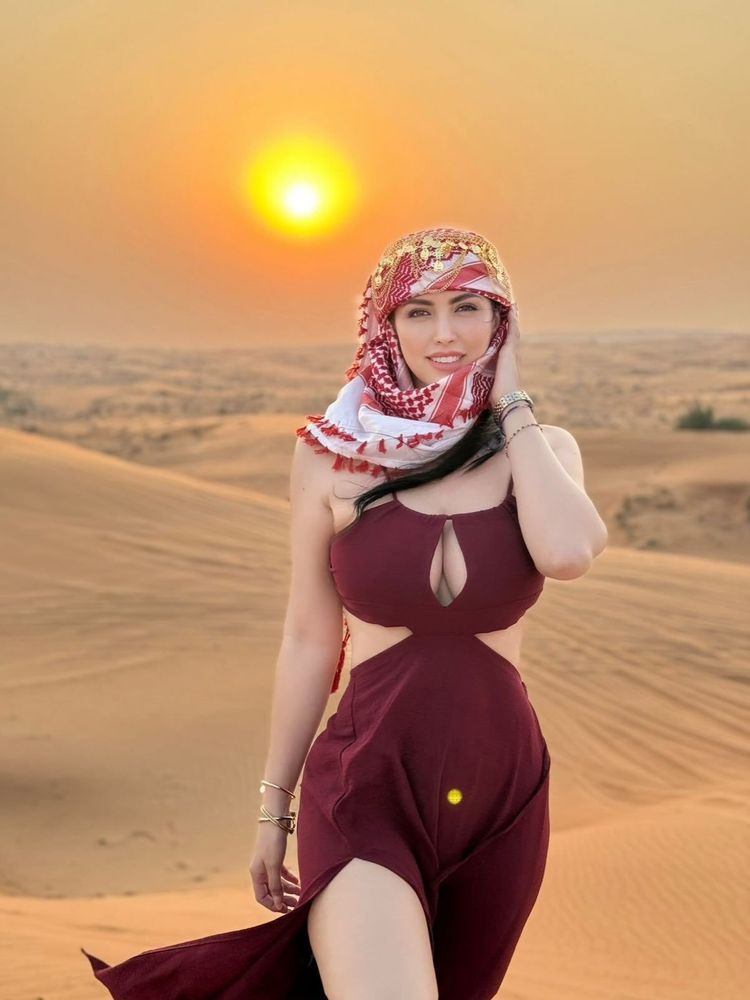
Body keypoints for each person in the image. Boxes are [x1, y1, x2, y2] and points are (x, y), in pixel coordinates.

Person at [81, 225, 609, 999]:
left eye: (468, 307)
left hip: (502, 800)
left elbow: (567, 553)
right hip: (366, 787)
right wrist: (275, 812)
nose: (446, 333)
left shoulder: (542, 449)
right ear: (385, 327)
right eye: (417, 312)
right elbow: (306, 637)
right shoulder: (334, 456)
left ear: (504, 321)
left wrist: (511, 404)